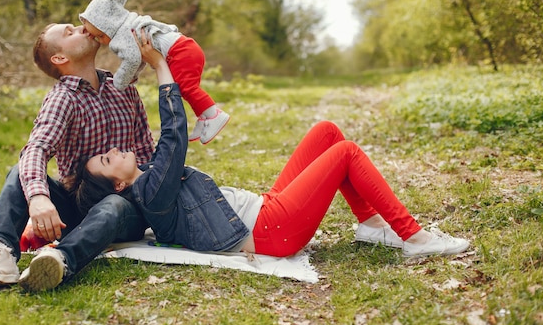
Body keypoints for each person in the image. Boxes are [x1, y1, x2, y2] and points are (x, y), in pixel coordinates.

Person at [68, 31, 470, 260]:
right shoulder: (151, 194)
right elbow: (173, 134)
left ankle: (371, 225)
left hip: (265, 207)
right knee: (345, 154)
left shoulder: (151, 176)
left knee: (327, 132)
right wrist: (160, 66)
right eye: (107, 159)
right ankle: (416, 239)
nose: (116, 150)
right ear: (119, 185)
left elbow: (170, 140)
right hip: (270, 231)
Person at [0, 22, 155, 292]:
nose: (81, 28)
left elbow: (147, 152)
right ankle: (0, 255)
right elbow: (36, 149)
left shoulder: (123, 87)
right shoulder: (62, 99)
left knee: (114, 204)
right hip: (76, 210)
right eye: (70, 32)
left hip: (127, 209)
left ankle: (60, 260)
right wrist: (39, 197)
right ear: (60, 58)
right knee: (18, 171)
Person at [79, 0, 229, 145]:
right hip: (185, 48)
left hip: (181, 51)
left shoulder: (122, 34)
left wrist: (119, 82)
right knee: (184, 89)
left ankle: (214, 114)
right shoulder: (128, 26)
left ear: (109, 24)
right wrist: (132, 76)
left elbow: (133, 59)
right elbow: (139, 57)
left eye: (101, 36)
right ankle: (204, 116)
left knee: (186, 87)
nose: (101, 41)